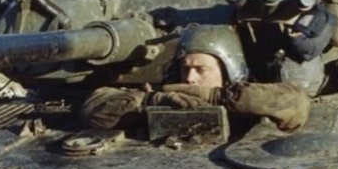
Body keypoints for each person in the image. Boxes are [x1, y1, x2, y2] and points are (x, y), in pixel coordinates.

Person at [80, 24, 311, 133]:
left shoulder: (247, 97)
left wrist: (217, 97)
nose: (190, 78)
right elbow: (93, 110)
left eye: (202, 69)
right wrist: (151, 102)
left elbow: (297, 104)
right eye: (185, 68)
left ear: (227, 68)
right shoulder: (164, 96)